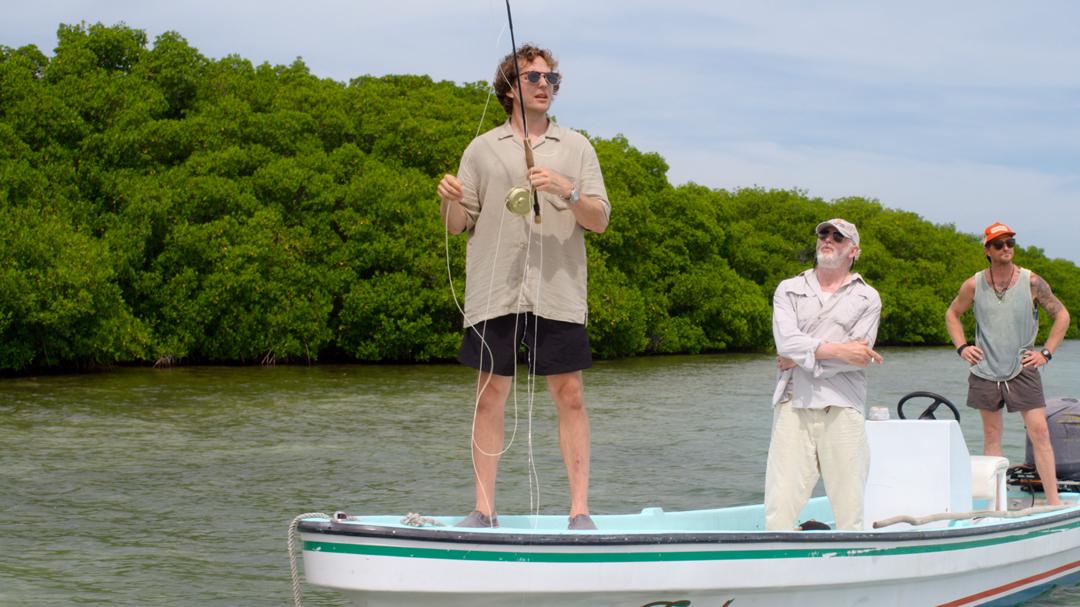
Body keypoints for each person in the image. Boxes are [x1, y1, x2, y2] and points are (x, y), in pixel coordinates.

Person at [436, 44, 610, 530]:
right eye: (533, 77)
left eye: (551, 79)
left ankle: (579, 511)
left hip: (559, 292)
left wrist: (566, 189)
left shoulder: (577, 147)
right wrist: (449, 198)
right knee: (489, 393)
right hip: (494, 290)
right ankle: (484, 509)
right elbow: (457, 224)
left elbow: (599, 219)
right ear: (510, 88)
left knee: (570, 394)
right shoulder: (481, 149)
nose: (544, 85)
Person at [766, 218, 883, 531]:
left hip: (842, 404)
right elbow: (786, 343)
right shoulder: (788, 289)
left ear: (853, 251)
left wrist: (799, 359)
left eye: (838, 237)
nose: (828, 239)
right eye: (823, 234)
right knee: (780, 505)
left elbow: (858, 358)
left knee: (849, 508)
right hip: (793, 402)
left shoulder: (868, 297)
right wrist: (840, 350)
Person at [945, 222, 1071, 506]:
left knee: (1040, 432)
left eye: (1010, 243)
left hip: (1023, 368)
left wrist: (1046, 353)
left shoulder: (1032, 282)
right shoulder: (973, 284)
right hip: (984, 369)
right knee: (992, 435)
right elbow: (952, 314)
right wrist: (962, 347)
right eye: (999, 244)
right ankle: (996, 505)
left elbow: (1062, 316)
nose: (1006, 248)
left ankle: (1053, 502)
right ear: (987, 250)